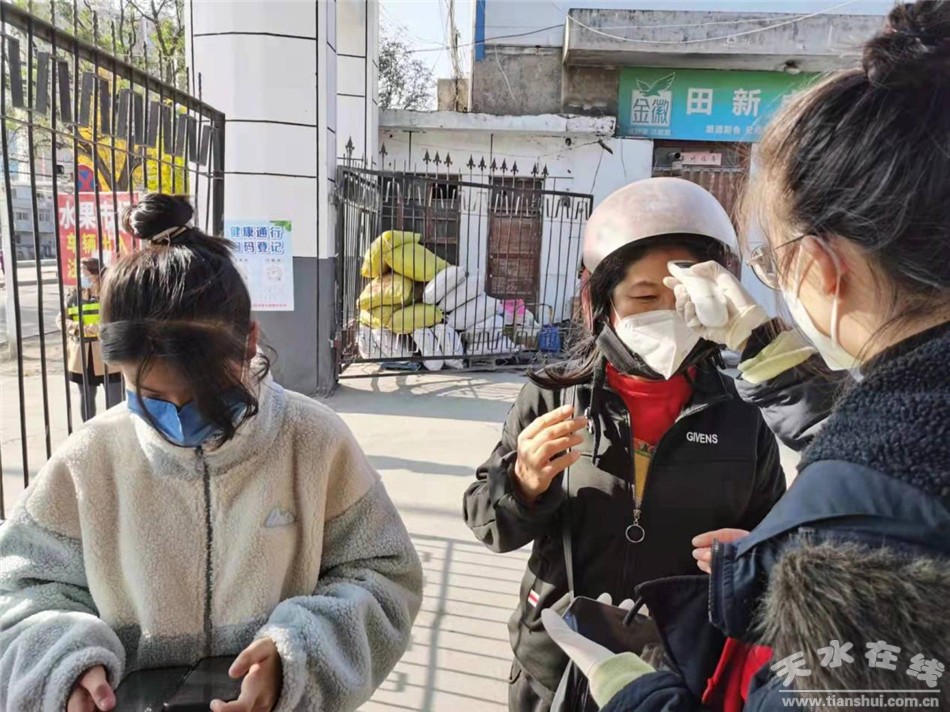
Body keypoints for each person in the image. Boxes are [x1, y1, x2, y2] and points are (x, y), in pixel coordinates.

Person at [544, 2, 950, 709]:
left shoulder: (860, 534)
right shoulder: (898, 441)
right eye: (643, 296)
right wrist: (762, 348)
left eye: (772, 263)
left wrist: (639, 696)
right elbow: (881, 444)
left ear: (821, 269)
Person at [0, 193, 423, 712]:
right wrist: (64, 663)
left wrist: (296, 658)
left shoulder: (314, 442)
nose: (180, 414)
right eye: (150, 395)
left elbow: (385, 576)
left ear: (250, 341)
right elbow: (18, 592)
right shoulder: (89, 460)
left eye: (204, 392)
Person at [463, 177, 789, 712]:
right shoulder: (554, 395)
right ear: (602, 300)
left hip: (681, 669)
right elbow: (487, 522)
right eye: (643, 296)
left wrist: (752, 555)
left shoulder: (742, 415)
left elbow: (780, 538)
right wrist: (522, 483)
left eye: (682, 297)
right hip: (558, 659)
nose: (668, 313)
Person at [60, 257, 124, 421]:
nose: (81, 276)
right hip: (82, 356)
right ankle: (88, 429)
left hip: (108, 353)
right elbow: (61, 320)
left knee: (115, 400)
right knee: (86, 398)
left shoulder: (111, 294)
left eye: (84, 272)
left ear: (95, 274)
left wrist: (102, 327)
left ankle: (115, 429)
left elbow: (121, 318)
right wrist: (77, 327)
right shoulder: (73, 296)